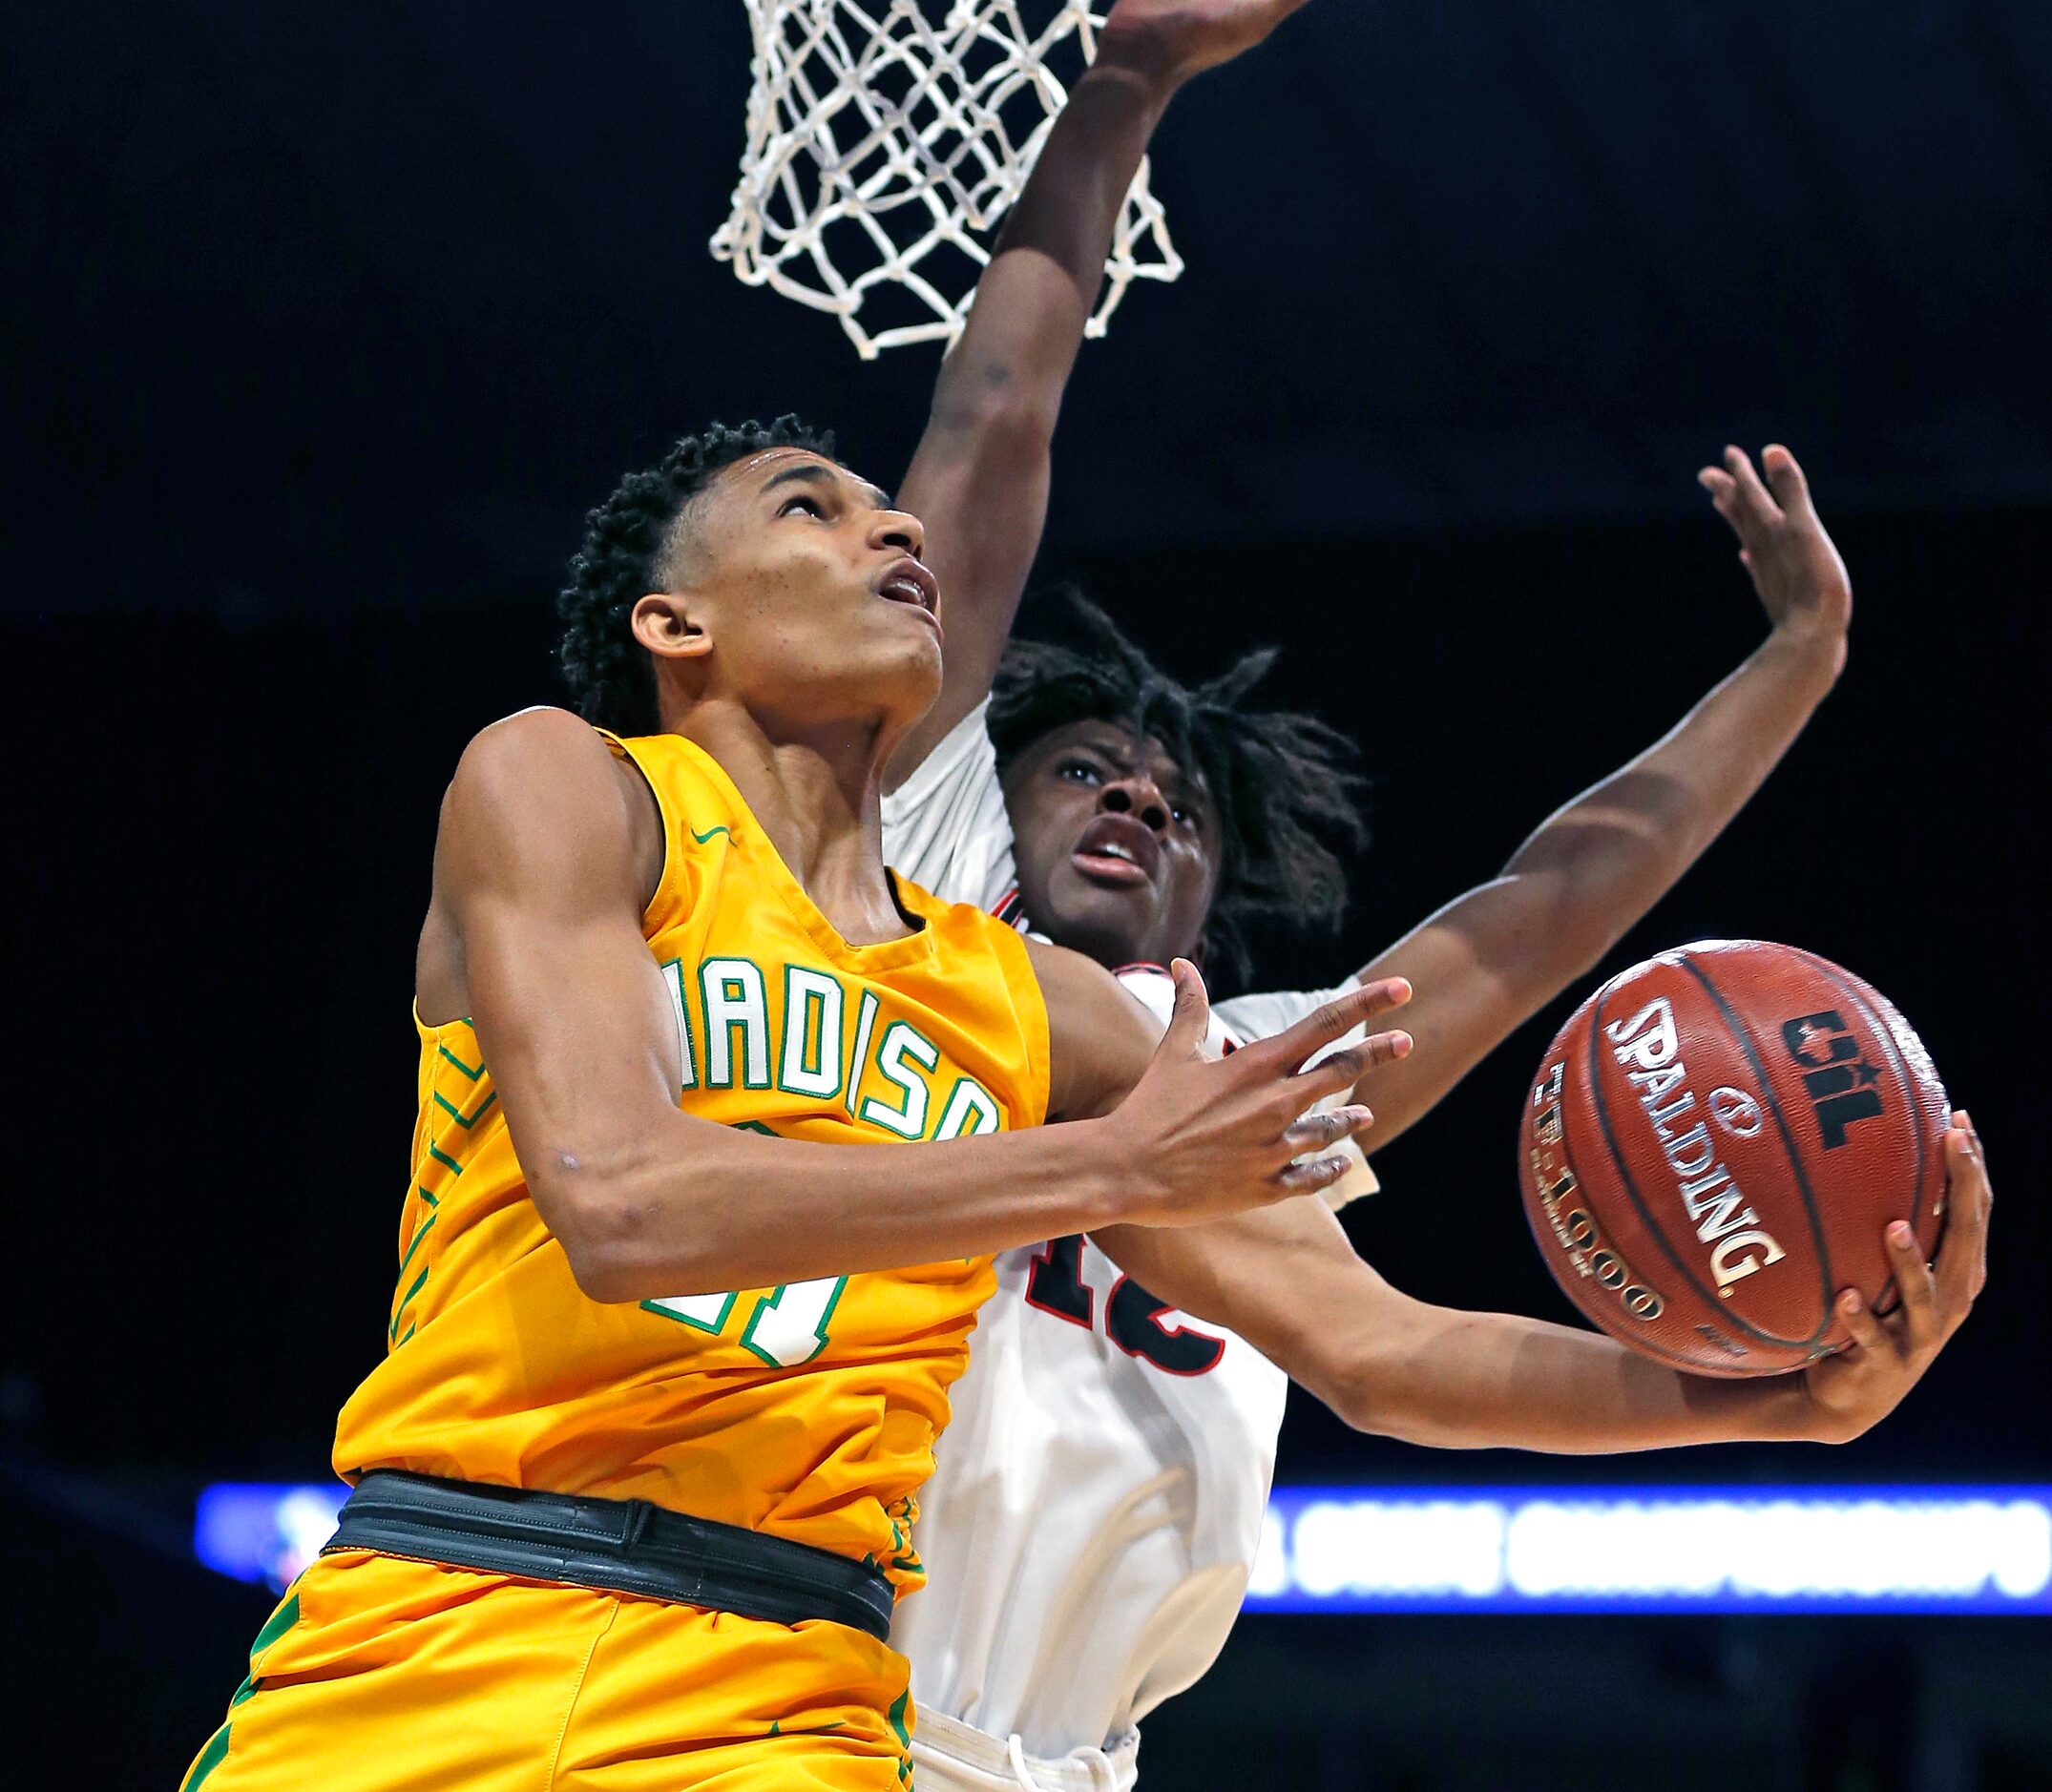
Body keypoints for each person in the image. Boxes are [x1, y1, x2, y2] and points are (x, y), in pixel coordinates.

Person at [856, 9, 1993, 1779]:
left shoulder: (1239, 1075)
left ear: (1206, 894)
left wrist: (1798, 662)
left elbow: (1548, 903)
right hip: (786, 1697)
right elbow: (990, 435)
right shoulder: (907, 898)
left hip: (1060, 1758)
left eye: (1173, 807)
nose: (1137, 794)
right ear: (976, 797)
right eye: (1083, 767)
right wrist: (1120, 93)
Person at [177, 416, 1405, 1792]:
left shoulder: (1035, 1001)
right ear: (673, 618)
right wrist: (1106, 1167)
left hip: (779, 1693)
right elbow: (624, 1201)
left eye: (891, 514)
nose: (895, 531)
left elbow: (1389, 1352)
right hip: (444, 1613)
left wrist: (1698, 1369)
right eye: (810, 507)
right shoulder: (572, 785)